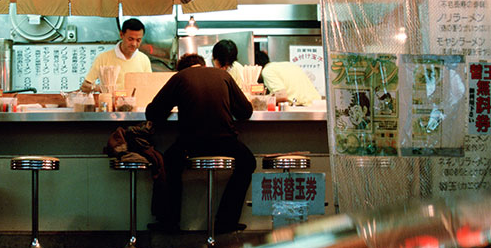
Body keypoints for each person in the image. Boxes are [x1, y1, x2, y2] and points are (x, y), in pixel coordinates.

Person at [145, 53, 256, 234]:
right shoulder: (223, 76)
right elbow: (245, 111)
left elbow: (153, 113)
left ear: (182, 69)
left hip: (191, 143)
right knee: (248, 162)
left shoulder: (180, 77)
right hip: (225, 141)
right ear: (203, 65)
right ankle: (226, 222)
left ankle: (169, 222)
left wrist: (177, 102)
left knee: (169, 162)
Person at [80, 18, 151, 93]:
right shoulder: (103, 58)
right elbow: (85, 86)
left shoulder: (144, 60)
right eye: (130, 39)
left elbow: (149, 86)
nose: (134, 44)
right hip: (110, 103)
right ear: (121, 35)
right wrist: (98, 88)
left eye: (138, 40)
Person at [255, 50, 322, 106]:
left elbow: (282, 95)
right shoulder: (287, 65)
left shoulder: (267, 71)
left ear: (257, 66)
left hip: (302, 108)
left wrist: (258, 100)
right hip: (317, 105)